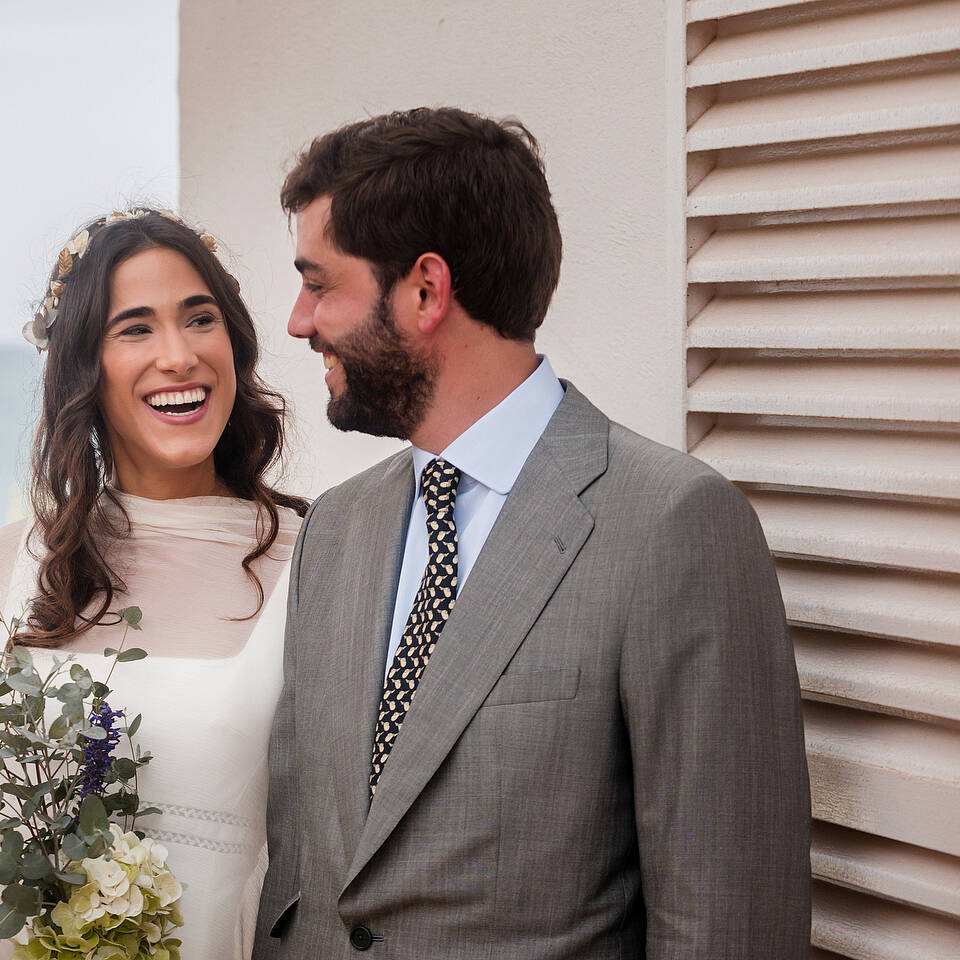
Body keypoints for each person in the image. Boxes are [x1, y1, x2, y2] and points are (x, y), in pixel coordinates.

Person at [255, 108, 812, 958]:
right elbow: (300, 884)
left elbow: (728, 921)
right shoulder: (336, 528)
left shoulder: (673, 525)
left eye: (321, 283)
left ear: (426, 290)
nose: (299, 321)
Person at [0, 207, 306, 960]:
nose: (179, 355)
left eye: (200, 319)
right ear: (84, 369)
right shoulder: (14, 564)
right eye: (135, 329)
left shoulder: (317, 558)